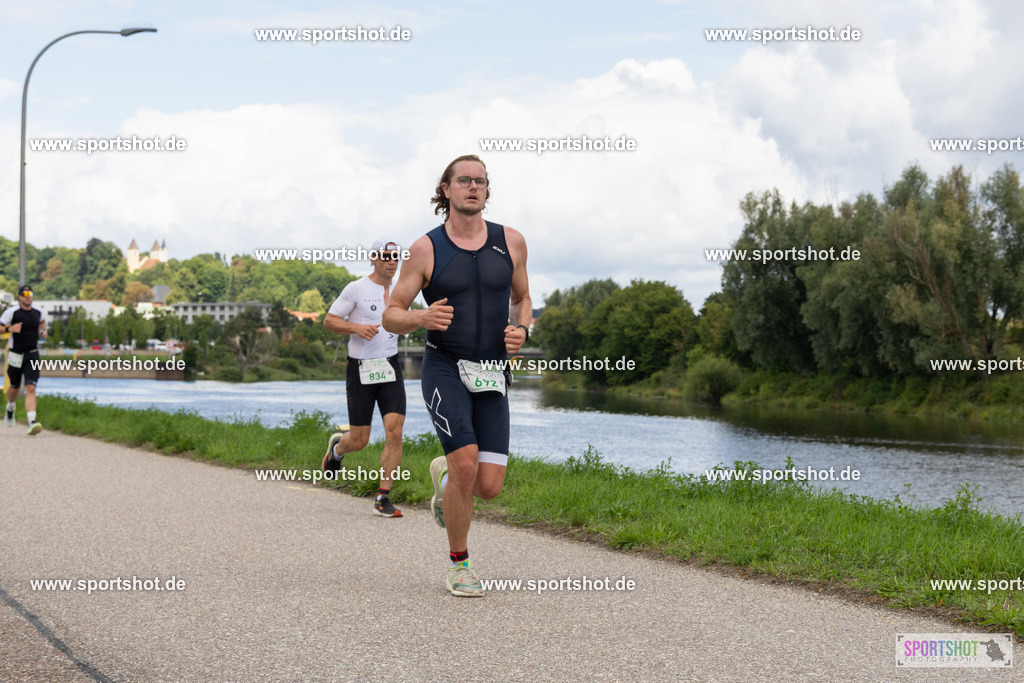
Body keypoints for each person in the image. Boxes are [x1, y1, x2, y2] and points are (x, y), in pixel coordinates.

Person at [383, 154, 531, 597]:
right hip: (445, 365)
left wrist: (523, 329)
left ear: (487, 190)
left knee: (488, 487)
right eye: (464, 180)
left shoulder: (512, 242)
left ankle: (446, 480)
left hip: (492, 370)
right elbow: (391, 313)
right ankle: (460, 565)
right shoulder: (425, 249)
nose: (473, 187)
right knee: (466, 461)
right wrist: (421, 317)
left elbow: (523, 299)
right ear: (445, 189)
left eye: (480, 181)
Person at [322, 240, 407, 518]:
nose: (391, 261)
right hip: (361, 368)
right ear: (372, 258)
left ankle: (383, 498)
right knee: (359, 441)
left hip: (390, 367)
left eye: (395, 257)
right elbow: (329, 320)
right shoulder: (356, 288)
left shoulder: (402, 290)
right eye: (385, 256)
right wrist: (356, 327)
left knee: (395, 431)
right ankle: (337, 450)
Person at [2, 285, 46, 435]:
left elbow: (42, 323)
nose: (28, 296)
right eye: (25, 294)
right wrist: (9, 329)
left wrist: (43, 333)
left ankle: (32, 422)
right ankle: (10, 407)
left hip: (32, 354)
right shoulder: (12, 312)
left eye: (30, 293)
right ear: (19, 297)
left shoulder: (38, 312)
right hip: (16, 354)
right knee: (14, 387)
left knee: (31, 387)